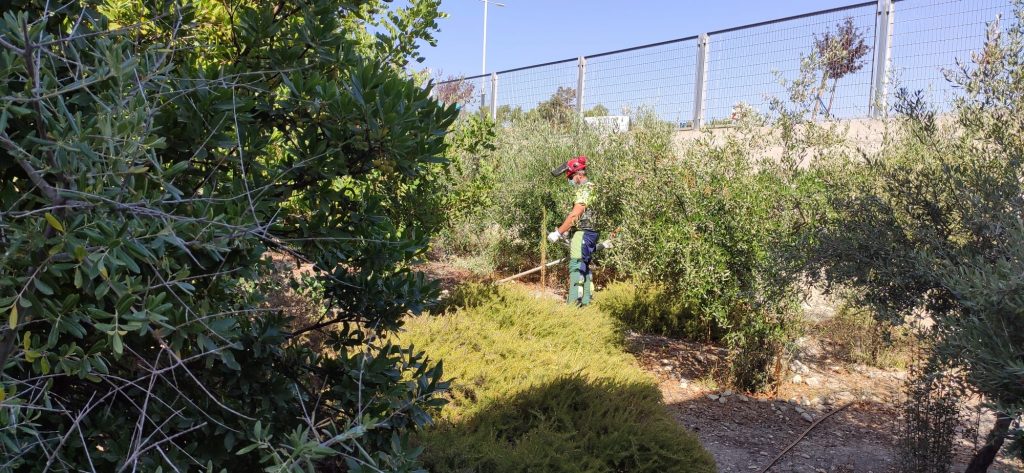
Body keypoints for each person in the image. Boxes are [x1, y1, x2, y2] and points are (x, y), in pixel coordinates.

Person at [548, 155, 599, 306]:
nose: (569, 180)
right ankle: (586, 303)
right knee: (584, 266)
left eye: (570, 177)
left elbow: (575, 215)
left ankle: (572, 305)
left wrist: (558, 232)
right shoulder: (592, 187)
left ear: (578, 175)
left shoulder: (585, 189)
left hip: (583, 233)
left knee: (576, 267)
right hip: (591, 233)